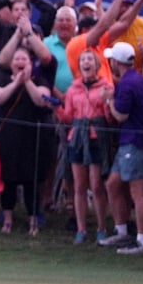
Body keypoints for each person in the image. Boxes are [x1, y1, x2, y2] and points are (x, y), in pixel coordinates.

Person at [0, 45, 57, 235]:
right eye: (17, 59)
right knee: (8, 180)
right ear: (11, 64)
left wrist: (27, 82)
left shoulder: (40, 80)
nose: (20, 63)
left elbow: (42, 100)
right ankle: (8, 220)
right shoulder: (2, 79)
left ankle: (33, 220)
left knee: (32, 181)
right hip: (8, 138)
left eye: (24, 60)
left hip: (32, 139)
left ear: (30, 63)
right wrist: (15, 83)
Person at [99, 42, 143, 254]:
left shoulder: (128, 84)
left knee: (138, 191)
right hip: (129, 141)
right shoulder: (134, 78)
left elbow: (120, 115)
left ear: (116, 62)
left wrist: (109, 100)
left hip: (136, 142)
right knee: (113, 184)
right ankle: (122, 232)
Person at [55, 48, 113, 244]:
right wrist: (56, 107)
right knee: (78, 185)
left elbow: (109, 118)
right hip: (77, 136)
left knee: (96, 185)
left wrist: (107, 102)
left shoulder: (105, 86)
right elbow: (68, 118)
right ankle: (81, 229)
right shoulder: (73, 89)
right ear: (78, 66)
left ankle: (101, 227)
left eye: (90, 59)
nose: (86, 63)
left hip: (96, 136)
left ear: (96, 65)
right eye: (83, 60)